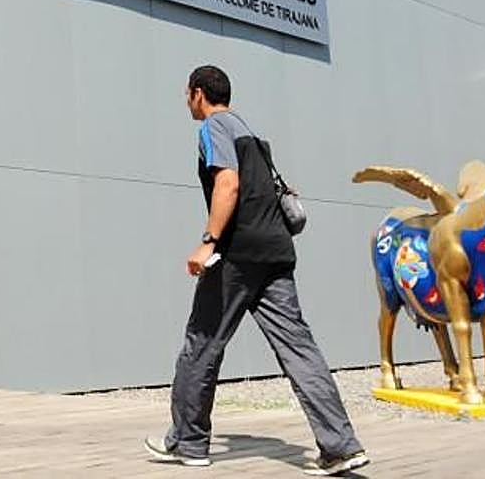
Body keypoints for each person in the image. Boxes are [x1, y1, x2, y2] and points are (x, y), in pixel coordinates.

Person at [144, 66, 369, 475]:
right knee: (300, 349)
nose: (186, 103)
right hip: (277, 252)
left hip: (236, 254)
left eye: (187, 95)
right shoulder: (250, 131)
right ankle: (340, 446)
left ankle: (188, 442)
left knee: (202, 342)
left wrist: (209, 241)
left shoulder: (214, 128)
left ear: (198, 94)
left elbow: (227, 184)